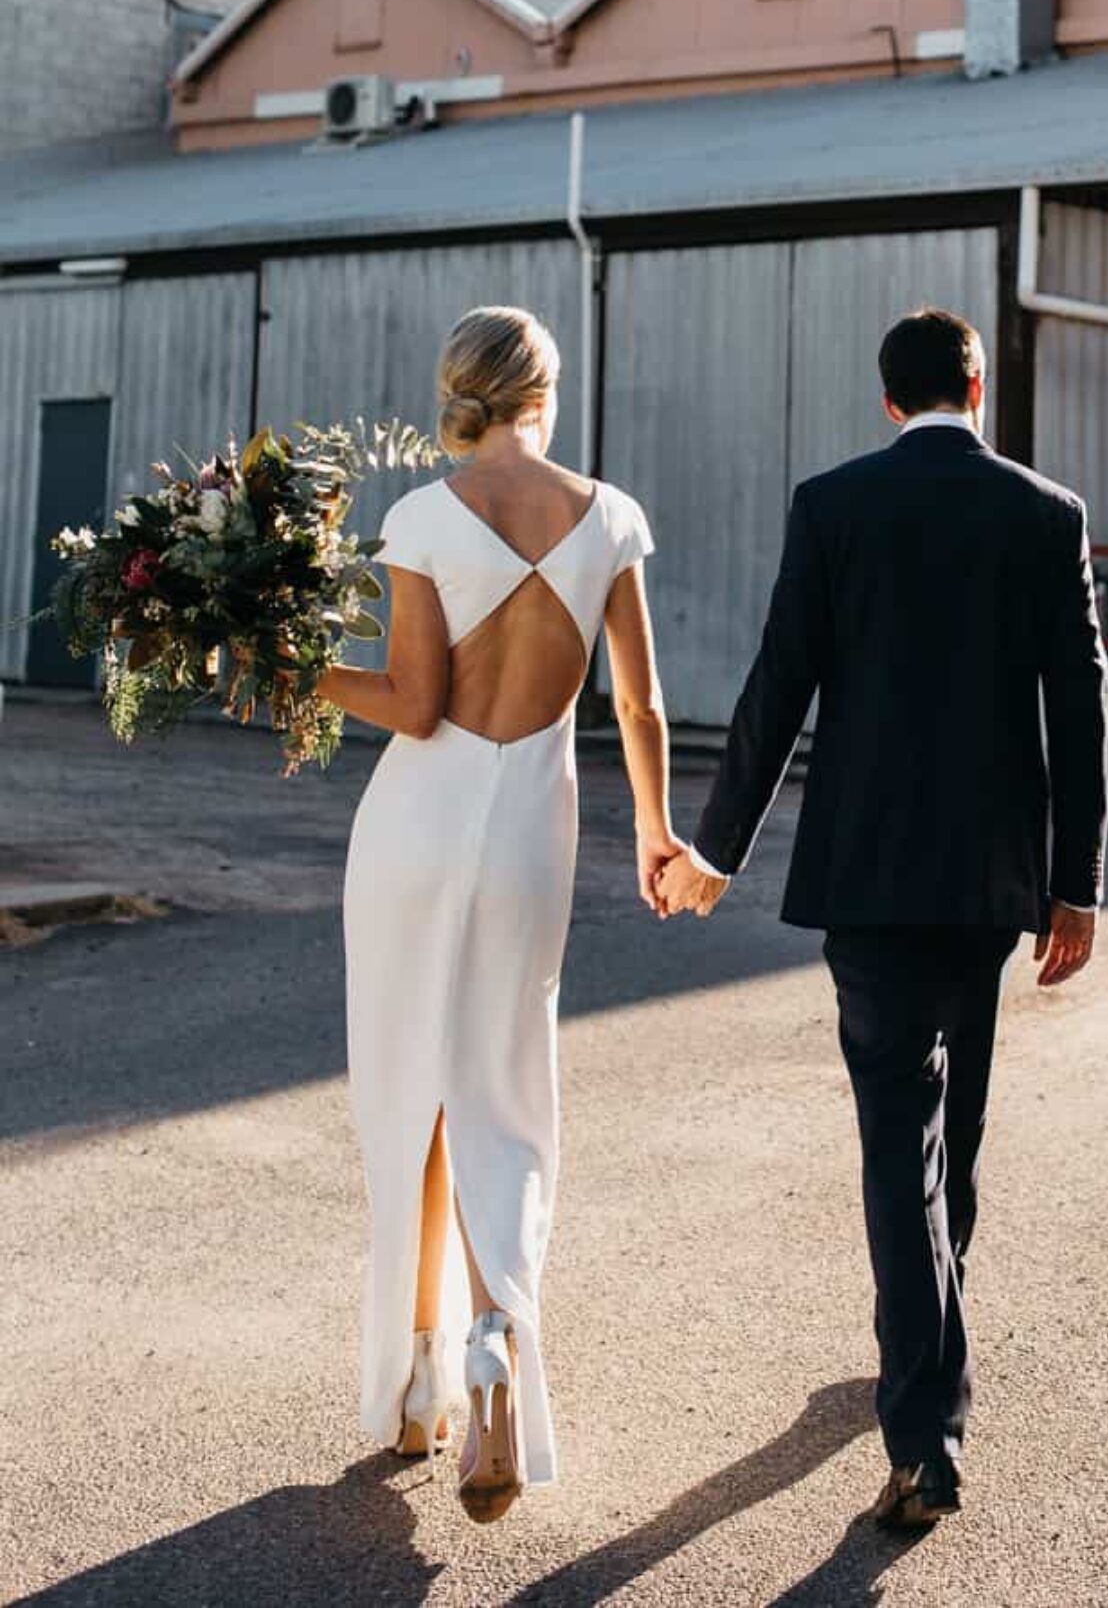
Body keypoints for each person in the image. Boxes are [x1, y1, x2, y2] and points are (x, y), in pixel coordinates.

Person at [656, 306, 1108, 1530]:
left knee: (902, 1142)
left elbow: (777, 684)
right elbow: (1082, 705)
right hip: (988, 888)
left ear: (888, 400)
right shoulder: (1044, 512)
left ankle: (923, 1428)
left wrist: (714, 850)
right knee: (948, 1135)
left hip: (866, 878)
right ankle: (926, 1369)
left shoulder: (833, 505)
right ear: (975, 384)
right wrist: (1077, 882)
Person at [324, 305, 677, 1523]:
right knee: (505, 1093)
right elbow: (638, 708)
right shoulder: (612, 515)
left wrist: (295, 668)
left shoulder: (421, 518)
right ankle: (490, 1369)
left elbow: (415, 705)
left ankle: (416, 1387)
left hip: (417, 835)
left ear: (459, 389)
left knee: (410, 1095)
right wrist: (657, 832)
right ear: (545, 389)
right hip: (533, 831)